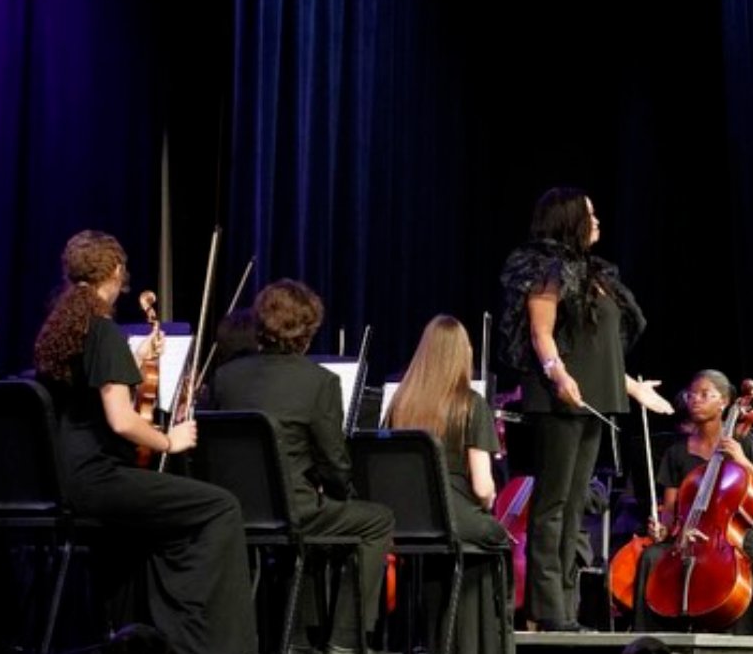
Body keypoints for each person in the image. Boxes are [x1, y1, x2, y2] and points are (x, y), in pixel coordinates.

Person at [32, 230, 257, 654]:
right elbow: (121, 420)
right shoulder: (102, 330)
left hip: (60, 479)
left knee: (161, 521)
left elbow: (88, 394)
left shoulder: (61, 331)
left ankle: (155, 633)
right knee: (221, 507)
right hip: (97, 480)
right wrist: (168, 441)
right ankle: (214, 644)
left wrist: (133, 362)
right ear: (116, 271)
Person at [498, 186, 674, 632]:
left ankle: (565, 606)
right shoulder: (546, 267)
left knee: (575, 506)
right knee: (553, 504)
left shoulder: (593, 273)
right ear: (569, 218)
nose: (597, 221)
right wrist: (558, 376)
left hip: (592, 401)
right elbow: (542, 334)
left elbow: (597, 351)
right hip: (559, 401)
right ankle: (547, 607)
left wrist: (633, 389)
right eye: (590, 214)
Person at [208, 278, 394, 654]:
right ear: (308, 332)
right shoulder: (319, 382)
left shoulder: (226, 378)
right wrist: (343, 492)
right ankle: (344, 640)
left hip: (232, 509)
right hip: (292, 509)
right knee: (377, 520)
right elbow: (334, 461)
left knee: (317, 516)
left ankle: (296, 634)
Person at [384, 314, 514, 654]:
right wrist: (485, 505)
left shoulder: (399, 403)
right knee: (495, 536)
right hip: (453, 514)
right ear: (461, 354)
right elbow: (484, 488)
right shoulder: (471, 404)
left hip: (406, 521)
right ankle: (477, 642)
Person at [631, 369, 753, 636]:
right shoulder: (677, 453)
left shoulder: (743, 446)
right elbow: (669, 513)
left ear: (724, 402)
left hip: (734, 535)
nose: (695, 400)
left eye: (705, 394)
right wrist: (666, 531)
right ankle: (651, 642)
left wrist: (742, 461)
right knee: (650, 558)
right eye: (691, 395)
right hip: (686, 534)